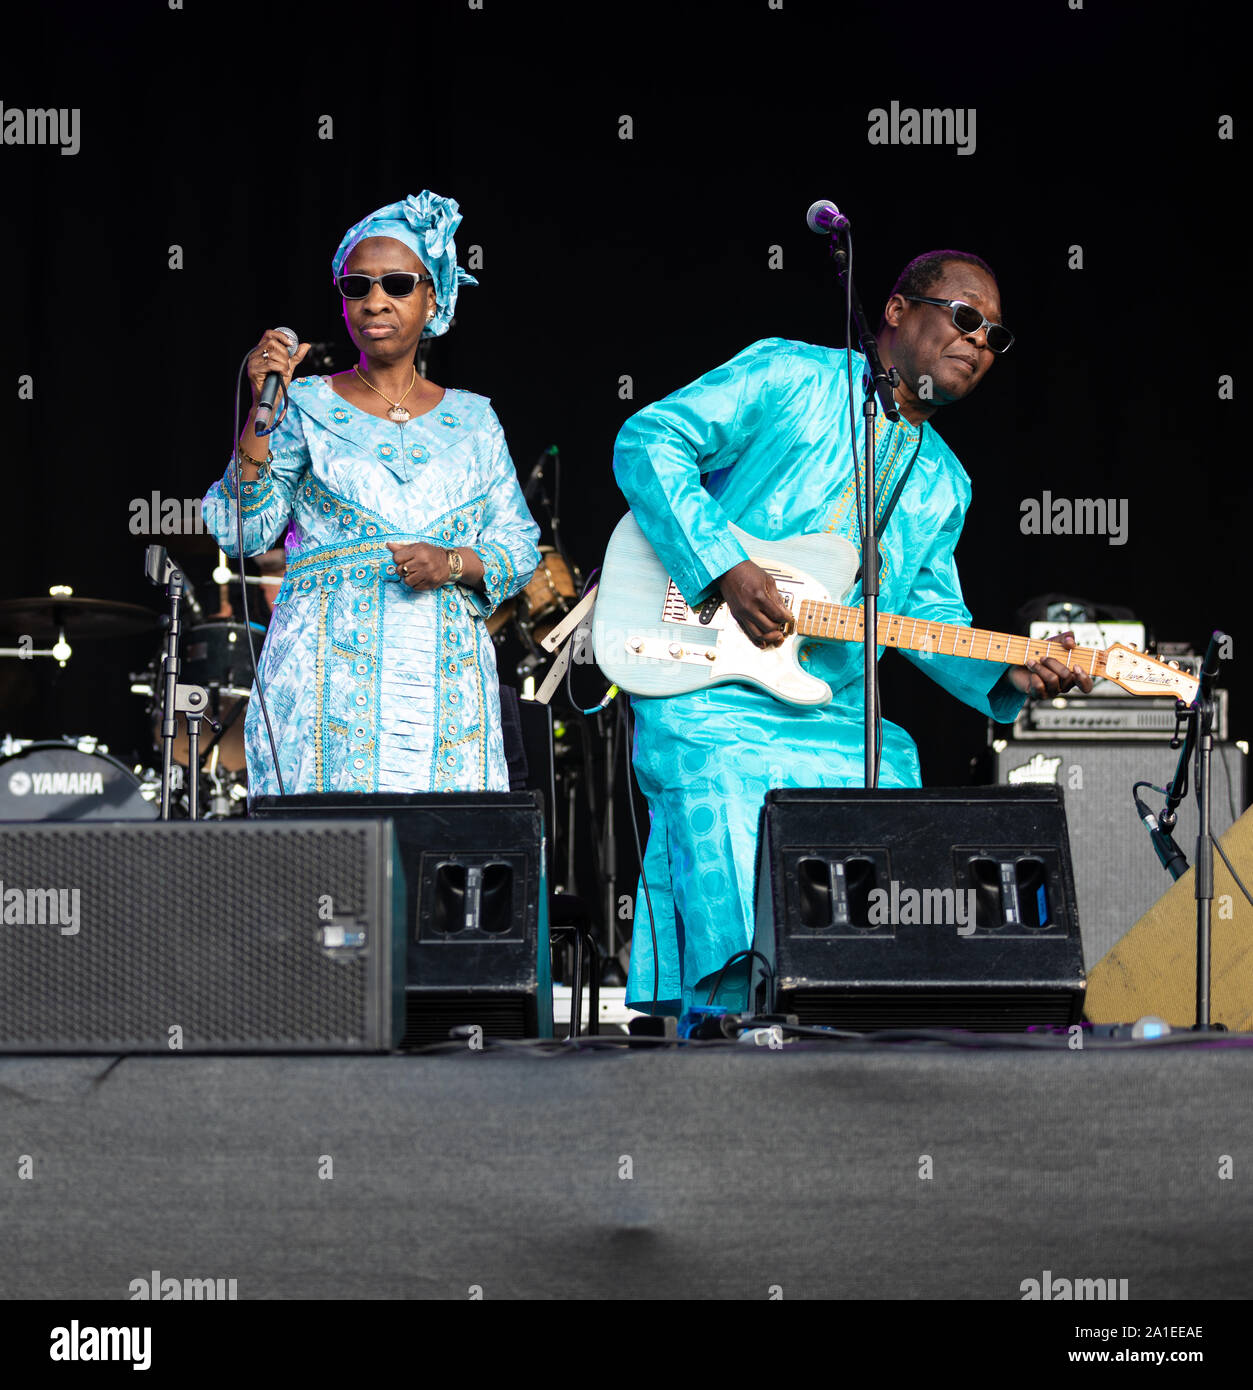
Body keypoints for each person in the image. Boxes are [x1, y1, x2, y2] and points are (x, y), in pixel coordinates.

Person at [612, 250, 1094, 1016]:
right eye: (963, 318)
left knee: (891, 783)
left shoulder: (944, 482)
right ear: (898, 311)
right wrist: (725, 567)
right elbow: (651, 438)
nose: (977, 342)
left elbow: (926, 618)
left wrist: (1009, 672)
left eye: (994, 336)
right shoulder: (787, 376)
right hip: (705, 683)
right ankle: (736, 1019)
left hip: (835, 711)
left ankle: (853, 1025)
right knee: (733, 782)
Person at [204, 191, 540, 795]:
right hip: (322, 683)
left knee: (438, 862)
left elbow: (519, 547)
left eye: (397, 284)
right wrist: (262, 407)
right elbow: (240, 529)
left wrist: (453, 563)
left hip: (446, 685)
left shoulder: (475, 420)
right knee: (328, 864)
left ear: (433, 296)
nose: (375, 301)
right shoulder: (302, 403)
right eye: (357, 286)